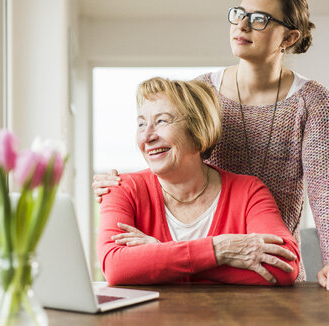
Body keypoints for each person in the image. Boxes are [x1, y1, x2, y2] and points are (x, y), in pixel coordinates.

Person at [93, 0, 329, 291]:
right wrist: (121, 187)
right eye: (239, 14)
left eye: (259, 18)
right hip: (210, 259)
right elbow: (176, 154)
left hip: (264, 263)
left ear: (288, 38)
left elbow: (326, 191)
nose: (242, 25)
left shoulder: (311, 101)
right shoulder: (204, 91)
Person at [98, 77, 299, 286]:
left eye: (161, 121)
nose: (147, 136)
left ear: (197, 129)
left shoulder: (249, 191)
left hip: (230, 318)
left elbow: (283, 266)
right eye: (141, 124)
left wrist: (162, 254)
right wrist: (220, 250)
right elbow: (116, 267)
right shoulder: (121, 188)